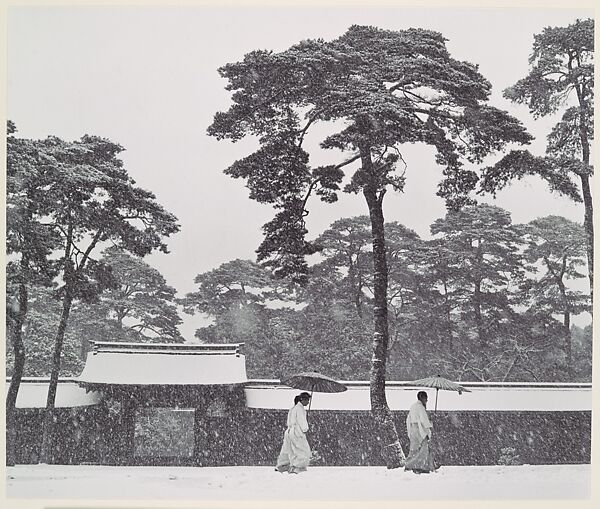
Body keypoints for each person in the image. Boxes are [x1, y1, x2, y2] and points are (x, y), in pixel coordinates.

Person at [275, 392, 311, 474]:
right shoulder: (300, 409)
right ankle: (298, 467)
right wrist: (305, 428)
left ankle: (283, 465)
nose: (308, 402)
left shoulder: (293, 408)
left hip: (289, 431)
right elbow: (302, 422)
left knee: (288, 449)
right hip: (297, 432)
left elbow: (289, 421)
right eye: (307, 400)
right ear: (302, 400)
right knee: (301, 450)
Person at [404, 390, 439, 474]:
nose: (427, 400)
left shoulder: (413, 406)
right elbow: (423, 420)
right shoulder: (420, 407)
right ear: (421, 398)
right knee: (423, 449)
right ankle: (420, 466)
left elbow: (409, 418)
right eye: (426, 398)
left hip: (413, 429)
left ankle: (411, 465)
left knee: (414, 449)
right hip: (420, 430)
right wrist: (430, 424)